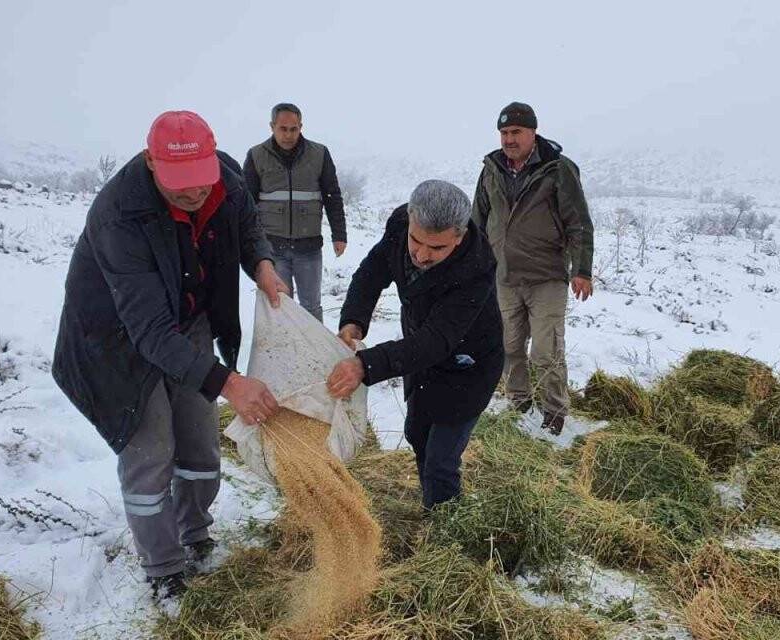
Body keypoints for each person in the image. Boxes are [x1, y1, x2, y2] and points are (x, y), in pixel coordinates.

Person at [51, 110, 288, 602]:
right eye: (180, 186)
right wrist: (229, 383)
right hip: (117, 339)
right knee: (151, 448)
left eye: (200, 183)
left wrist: (262, 266)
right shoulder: (119, 214)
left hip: (188, 318)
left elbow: (246, 228)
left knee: (200, 441)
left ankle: (195, 533)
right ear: (150, 161)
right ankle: (163, 568)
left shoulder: (227, 178)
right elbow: (149, 331)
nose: (193, 193)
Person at [326, 180, 504, 510]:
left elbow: (436, 340)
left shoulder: (476, 268)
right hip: (419, 357)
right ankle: (432, 502)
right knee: (417, 434)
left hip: (468, 364)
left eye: (437, 249)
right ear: (409, 218)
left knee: (441, 459)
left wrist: (365, 365)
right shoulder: (399, 226)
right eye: (416, 241)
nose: (421, 255)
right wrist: (353, 321)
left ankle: (445, 528)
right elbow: (371, 273)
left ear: (459, 236)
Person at [472, 102, 594, 435]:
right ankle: (519, 403)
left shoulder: (557, 169)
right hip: (505, 277)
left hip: (546, 277)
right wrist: (471, 267)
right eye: (504, 133)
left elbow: (578, 223)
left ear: (533, 132)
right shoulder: (491, 169)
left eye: (516, 132)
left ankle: (554, 412)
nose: (509, 139)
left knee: (545, 350)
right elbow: (477, 223)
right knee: (509, 346)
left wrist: (582, 270)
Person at [242, 102, 347, 322]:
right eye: (283, 129)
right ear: (272, 126)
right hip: (272, 249)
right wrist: (249, 244)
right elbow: (246, 204)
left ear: (301, 126)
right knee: (279, 304)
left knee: (311, 307)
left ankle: (315, 353)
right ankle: (283, 354)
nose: (289, 135)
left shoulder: (319, 154)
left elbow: (332, 195)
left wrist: (339, 235)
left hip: (308, 247)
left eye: (294, 129)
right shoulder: (256, 156)